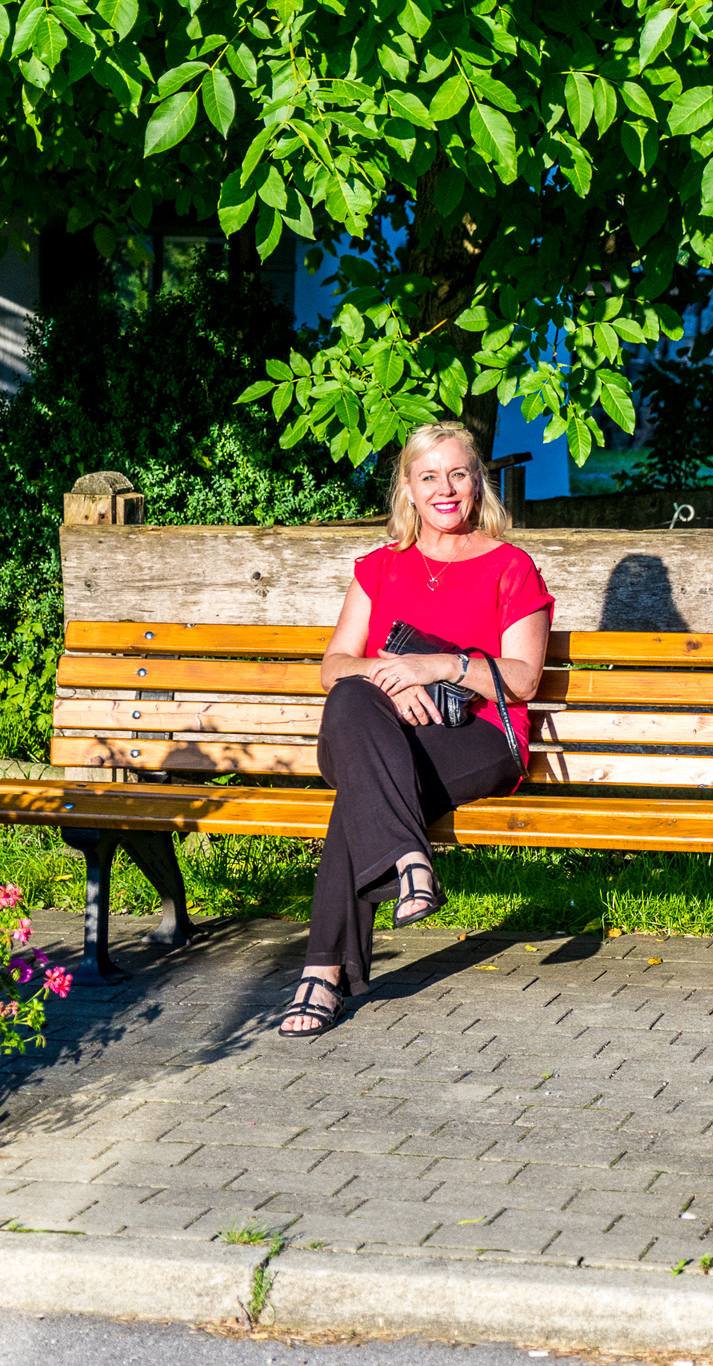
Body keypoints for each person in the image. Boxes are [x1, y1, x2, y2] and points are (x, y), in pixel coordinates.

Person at [280, 422, 554, 1037]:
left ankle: (323, 974)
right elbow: (334, 665)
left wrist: (434, 665)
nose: (445, 489)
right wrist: (392, 683)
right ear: (407, 487)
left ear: (478, 481)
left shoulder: (511, 566)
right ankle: (408, 857)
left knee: (360, 790)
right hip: (390, 732)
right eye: (429, 476)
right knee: (352, 696)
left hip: (482, 735)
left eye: (458, 474)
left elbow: (524, 680)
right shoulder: (380, 568)